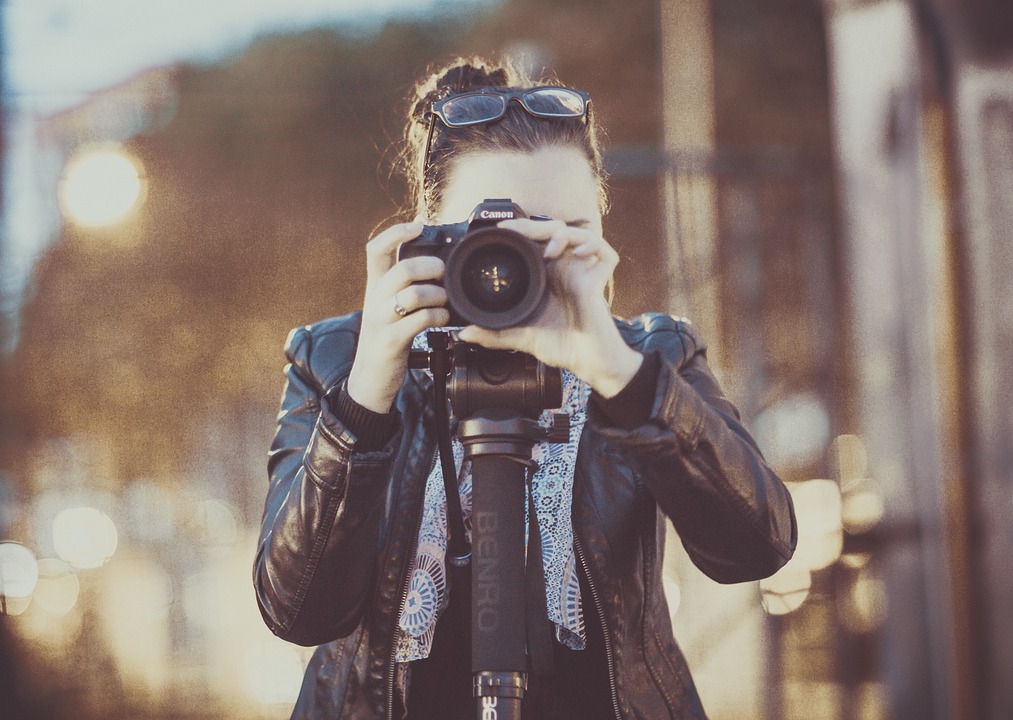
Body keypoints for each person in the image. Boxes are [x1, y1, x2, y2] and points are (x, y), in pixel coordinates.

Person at [254, 57, 797, 720]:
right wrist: (365, 397)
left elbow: (758, 548)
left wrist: (618, 376)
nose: (522, 267)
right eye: (495, 235)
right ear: (427, 236)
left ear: (601, 234)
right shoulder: (336, 360)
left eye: (563, 235)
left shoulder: (649, 358)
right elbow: (296, 609)